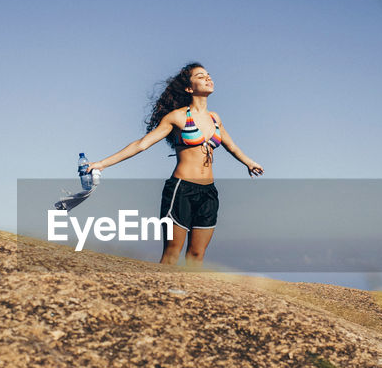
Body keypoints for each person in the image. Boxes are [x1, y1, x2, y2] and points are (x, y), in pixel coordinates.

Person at [86, 62, 263, 265]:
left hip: (208, 193)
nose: (208, 78)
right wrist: (101, 163)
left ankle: (190, 296)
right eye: (200, 76)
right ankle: (163, 294)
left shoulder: (215, 118)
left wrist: (249, 162)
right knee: (171, 254)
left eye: (208, 75)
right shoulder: (177, 117)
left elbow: (231, 146)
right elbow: (142, 144)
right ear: (189, 88)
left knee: (196, 256)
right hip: (181, 190)